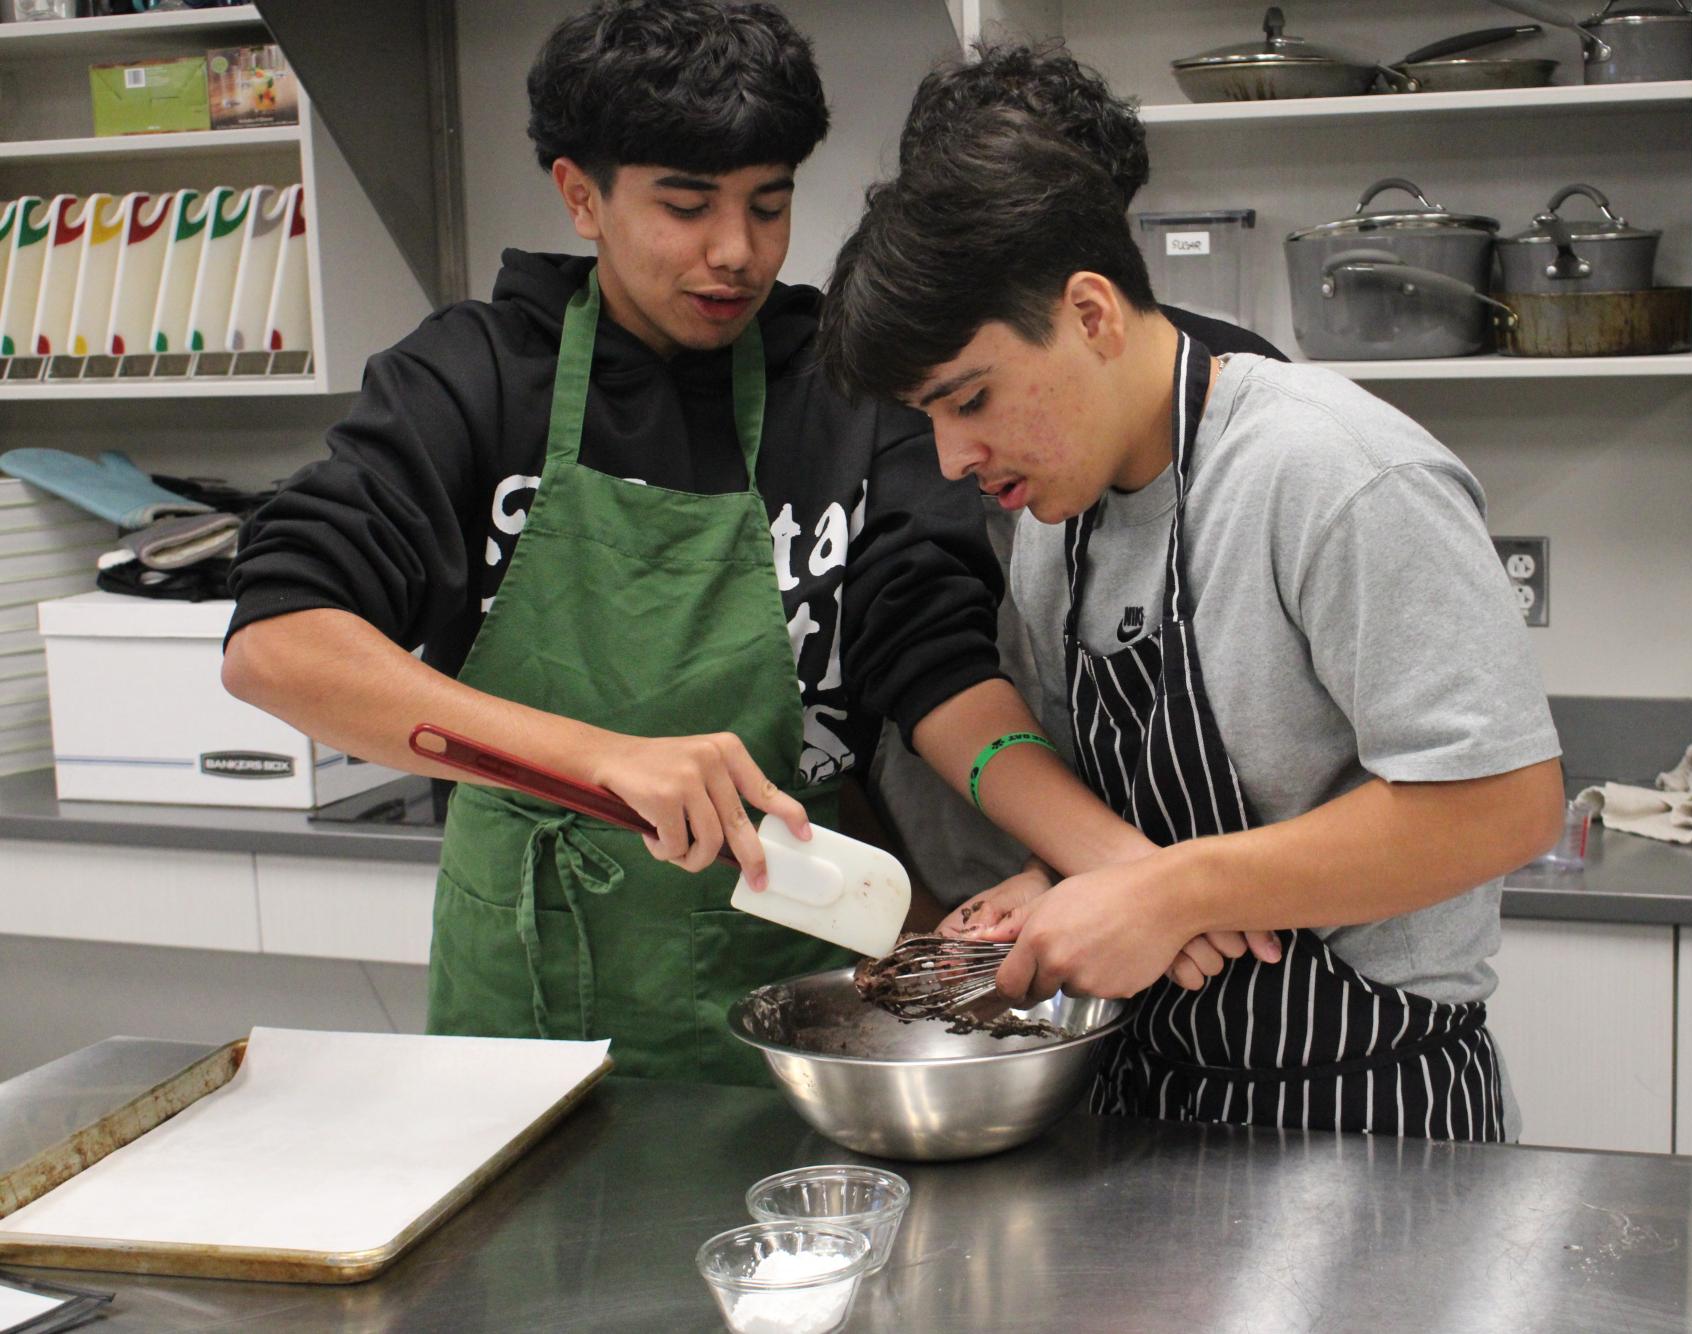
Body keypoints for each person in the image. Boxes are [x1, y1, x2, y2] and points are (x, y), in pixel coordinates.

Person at [219, 3, 1186, 1085]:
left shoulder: (845, 383)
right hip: (526, 1016)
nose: (737, 252)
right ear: (580, 193)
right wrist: (599, 759)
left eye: (768, 206)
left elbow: (935, 662)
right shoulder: (473, 380)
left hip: (797, 1008)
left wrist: (1111, 860)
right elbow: (277, 645)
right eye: (686, 207)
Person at [819, 108, 1566, 1139]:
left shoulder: (1330, 470)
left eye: (972, 399)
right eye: (930, 418)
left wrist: (1170, 892)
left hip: (1374, 1114)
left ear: (1090, 315)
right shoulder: (1054, 528)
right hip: (1150, 1107)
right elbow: (1138, 818)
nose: (952, 458)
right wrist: (1049, 893)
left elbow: (1506, 803)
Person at [870, 41, 1289, 910]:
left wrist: (1164, 888)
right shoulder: (909, 398)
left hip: (1225, 891)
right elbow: (921, 642)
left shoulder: (1261, 407)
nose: (959, 451)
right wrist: (1077, 866)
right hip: (976, 869)